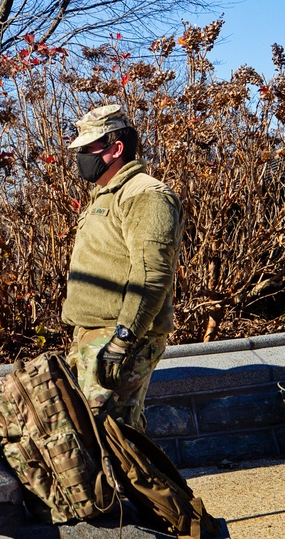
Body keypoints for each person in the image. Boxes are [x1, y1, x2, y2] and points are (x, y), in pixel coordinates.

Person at [62, 104, 184, 432]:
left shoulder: (146, 194)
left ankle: (142, 486)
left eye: (87, 149)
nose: (80, 157)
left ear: (115, 149)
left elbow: (152, 273)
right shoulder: (104, 196)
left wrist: (123, 338)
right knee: (99, 439)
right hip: (92, 333)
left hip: (119, 334)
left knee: (115, 438)